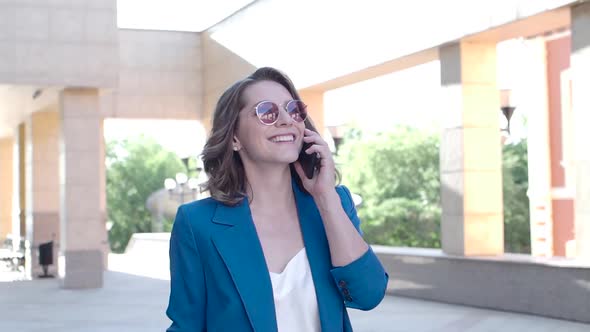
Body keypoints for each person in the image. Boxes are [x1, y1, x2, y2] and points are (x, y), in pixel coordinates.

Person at [166, 67, 388, 332]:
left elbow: (368, 295)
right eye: (267, 112)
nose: (286, 120)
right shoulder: (197, 223)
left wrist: (326, 198)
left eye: (293, 110)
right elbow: (186, 325)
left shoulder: (334, 203)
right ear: (234, 137)